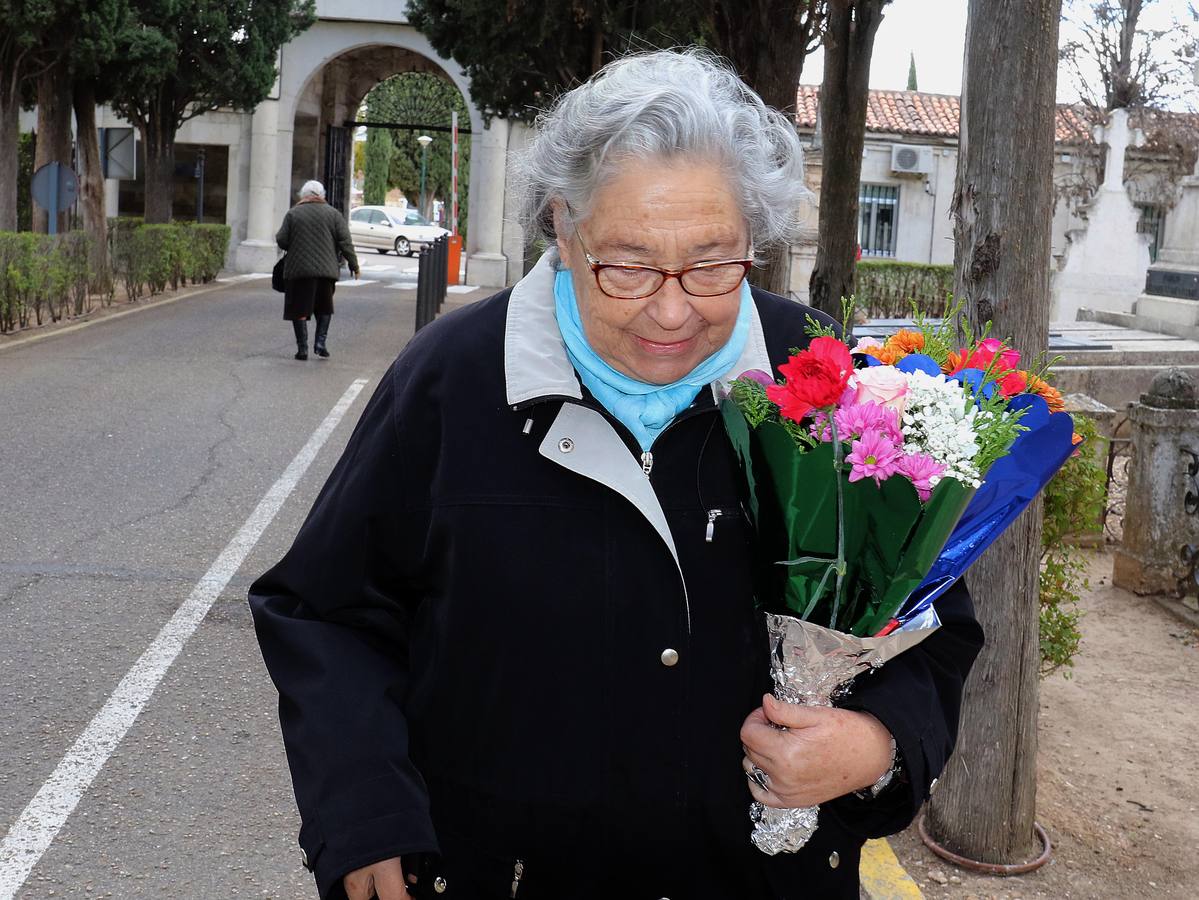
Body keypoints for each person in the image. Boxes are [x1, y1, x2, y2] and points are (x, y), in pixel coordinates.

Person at [250, 49, 983, 900]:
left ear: (755, 237)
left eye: (712, 263)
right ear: (563, 227)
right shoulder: (453, 379)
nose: (671, 311)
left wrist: (880, 741)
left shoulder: (816, 381)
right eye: (626, 264)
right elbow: (325, 611)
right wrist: (364, 807)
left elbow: (932, 617)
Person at [276, 180, 360, 361]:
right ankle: (320, 343)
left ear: (303, 195)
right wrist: (354, 265)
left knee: (299, 308)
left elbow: (282, 240)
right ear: (322, 195)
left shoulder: (293, 214)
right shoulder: (334, 215)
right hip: (326, 271)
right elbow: (345, 242)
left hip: (299, 271)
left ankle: (303, 349)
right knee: (324, 307)